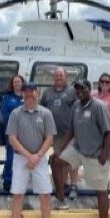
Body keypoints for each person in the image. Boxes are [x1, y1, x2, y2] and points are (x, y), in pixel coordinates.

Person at [57, 79, 110, 218]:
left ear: (90, 89)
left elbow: (109, 133)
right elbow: (71, 130)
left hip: (96, 154)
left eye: (82, 88)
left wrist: (103, 156)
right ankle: (61, 199)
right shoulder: (76, 105)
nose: (79, 91)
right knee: (56, 161)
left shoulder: (98, 106)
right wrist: (60, 149)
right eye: (77, 88)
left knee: (101, 191)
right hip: (79, 150)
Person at [5, 82, 60, 218]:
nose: (29, 95)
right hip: (21, 158)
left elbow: (50, 137)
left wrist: (37, 156)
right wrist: (29, 156)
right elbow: (12, 138)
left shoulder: (46, 113)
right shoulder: (15, 113)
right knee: (17, 195)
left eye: (32, 92)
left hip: (40, 158)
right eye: (26, 92)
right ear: (22, 94)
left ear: (37, 93)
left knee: (45, 195)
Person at [41, 67, 78, 209]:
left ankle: (73, 186)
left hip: (69, 133)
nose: (58, 78)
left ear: (66, 77)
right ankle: (63, 186)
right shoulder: (47, 92)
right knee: (59, 161)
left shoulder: (72, 92)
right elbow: (42, 109)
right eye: (56, 76)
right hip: (54, 134)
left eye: (60, 76)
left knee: (71, 161)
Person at [1, 74, 25, 191]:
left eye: (19, 81)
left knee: (23, 156)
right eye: (15, 82)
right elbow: (5, 114)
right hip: (12, 132)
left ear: (22, 83)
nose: (17, 84)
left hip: (25, 132)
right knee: (10, 156)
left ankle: (21, 180)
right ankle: (7, 179)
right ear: (12, 84)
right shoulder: (7, 97)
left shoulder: (27, 96)